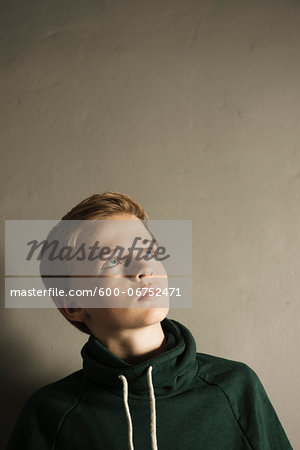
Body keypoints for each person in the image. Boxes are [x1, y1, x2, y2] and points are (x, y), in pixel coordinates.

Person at [6, 191, 293, 450]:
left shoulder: (236, 387)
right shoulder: (48, 414)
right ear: (73, 305)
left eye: (148, 251)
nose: (143, 267)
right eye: (111, 261)